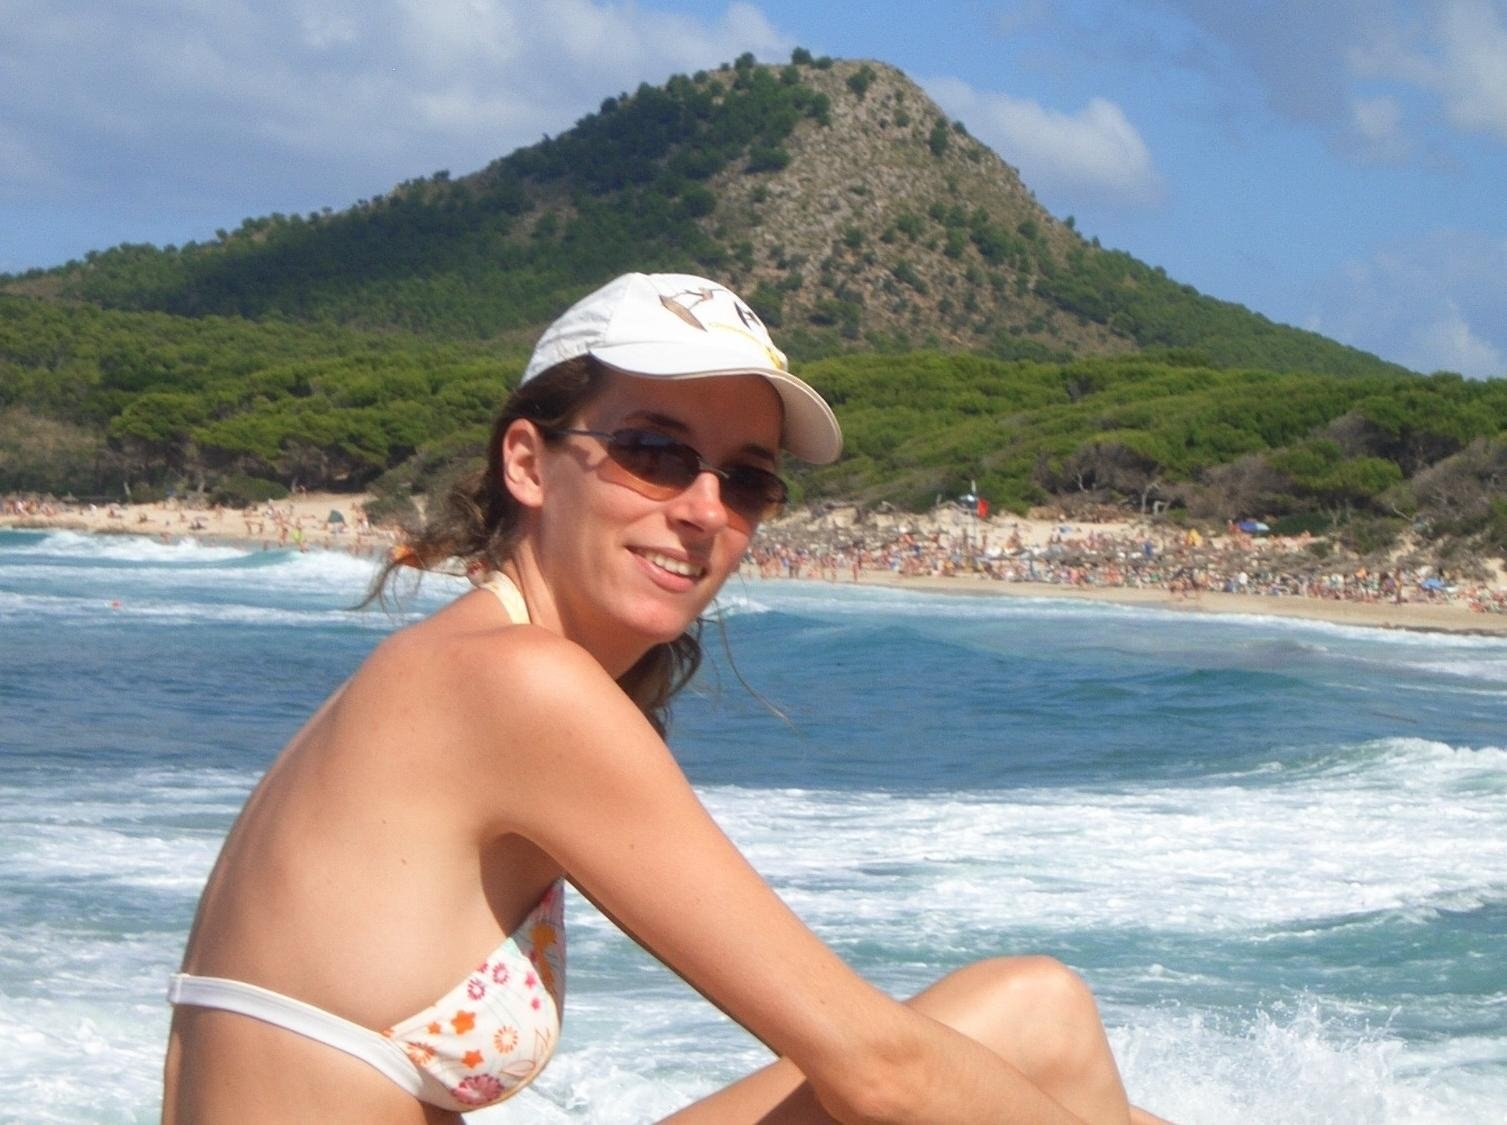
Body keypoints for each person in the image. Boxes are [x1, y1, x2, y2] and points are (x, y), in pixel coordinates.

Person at [163, 272, 1166, 1123]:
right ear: (528, 463)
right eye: (653, 453)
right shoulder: (517, 685)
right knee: (1027, 1025)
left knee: (1035, 1013)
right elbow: (876, 1070)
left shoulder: (450, 664)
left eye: (747, 481)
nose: (703, 509)